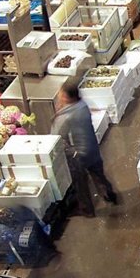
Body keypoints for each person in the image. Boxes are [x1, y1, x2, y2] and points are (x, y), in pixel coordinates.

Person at [52, 82, 118, 216]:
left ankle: (87, 210)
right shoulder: (82, 106)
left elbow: (56, 137)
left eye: (60, 94)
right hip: (92, 148)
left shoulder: (65, 116)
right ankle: (109, 194)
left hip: (77, 156)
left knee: (80, 184)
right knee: (99, 175)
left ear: (65, 97)